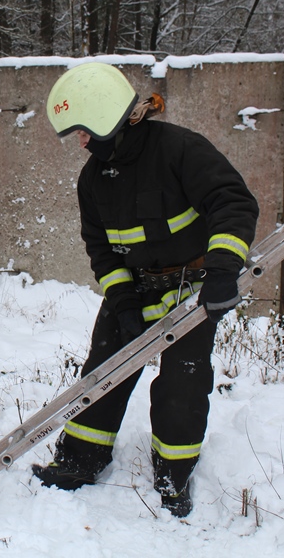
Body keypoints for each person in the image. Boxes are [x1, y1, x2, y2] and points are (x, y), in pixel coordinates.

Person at [32, 62, 259, 518]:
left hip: (192, 289)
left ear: (107, 120)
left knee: (183, 384)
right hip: (136, 291)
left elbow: (231, 202)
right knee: (102, 374)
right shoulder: (93, 179)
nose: (80, 142)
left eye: (83, 131)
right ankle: (80, 461)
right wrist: (123, 300)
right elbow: (101, 250)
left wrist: (221, 271)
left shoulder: (180, 150)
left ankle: (173, 477)